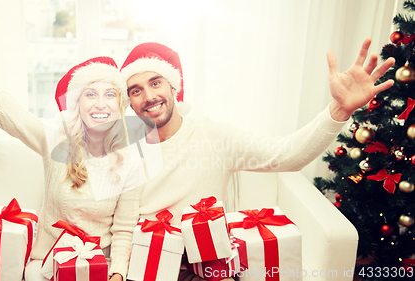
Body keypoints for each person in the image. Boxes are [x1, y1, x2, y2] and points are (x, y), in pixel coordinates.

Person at [119, 41, 395, 281]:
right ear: (130, 102)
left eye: (155, 83)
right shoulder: (125, 150)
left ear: (173, 86)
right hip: (145, 263)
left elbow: (286, 154)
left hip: (205, 265)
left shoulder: (214, 136)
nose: (149, 96)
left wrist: (339, 109)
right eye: (136, 90)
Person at [0, 14, 147, 281]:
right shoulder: (56, 136)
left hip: (99, 266)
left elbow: (123, 230)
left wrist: (117, 274)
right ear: (77, 104)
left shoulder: (131, 160)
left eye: (110, 94)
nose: (100, 104)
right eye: (90, 94)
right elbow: (10, 115)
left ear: (120, 106)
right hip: (46, 263)